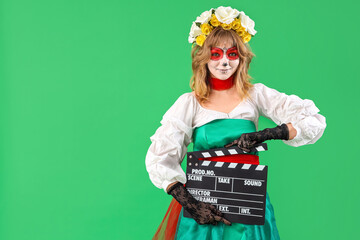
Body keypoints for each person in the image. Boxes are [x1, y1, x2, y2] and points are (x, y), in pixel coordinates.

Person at [145, 6, 326, 240]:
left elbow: (313, 120)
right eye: (216, 54)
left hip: (248, 205)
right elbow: (160, 158)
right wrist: (191, 205)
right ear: (204, 57)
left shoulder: (256, 95)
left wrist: (267, 134)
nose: (224, 62)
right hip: (206, 210)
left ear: (241, 58)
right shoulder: (189, 103)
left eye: (232, 54)